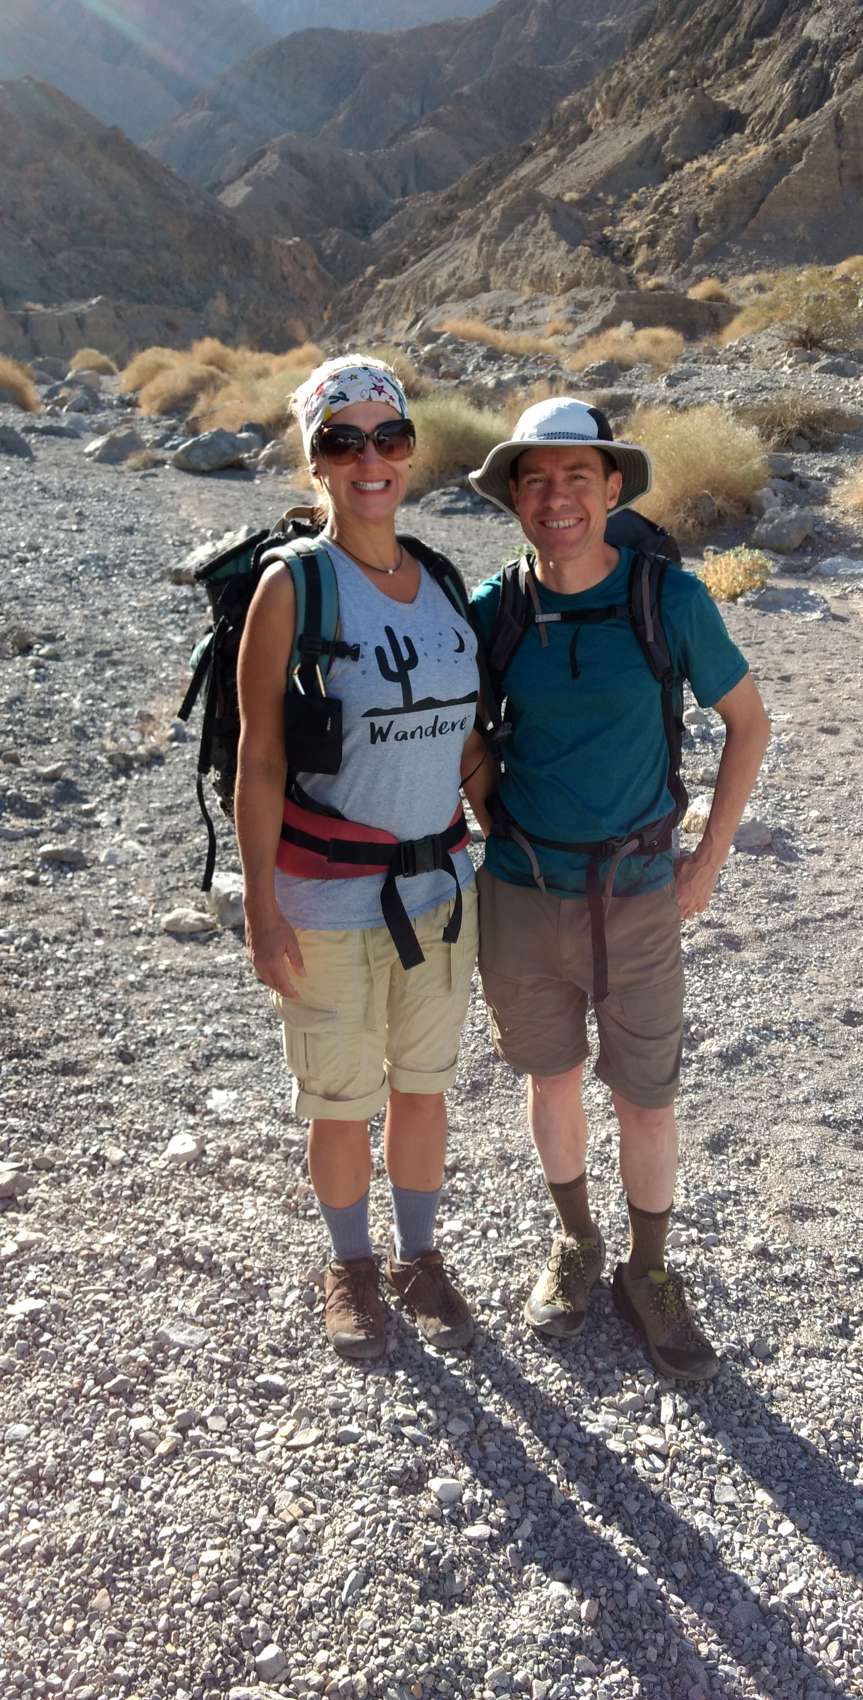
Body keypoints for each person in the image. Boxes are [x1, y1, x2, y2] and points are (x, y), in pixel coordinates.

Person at [464, 396, 771, 1380]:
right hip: (521, 892)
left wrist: (706, 861)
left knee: (646, 1097)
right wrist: (487, 808)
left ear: (609, 488)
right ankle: (575, 1241)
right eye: (535, 479)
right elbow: (461, 725)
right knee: (549, 1077)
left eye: (575, 477)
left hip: (638, 895)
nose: (555, 497)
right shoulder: (495, 607)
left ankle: (648, 1268)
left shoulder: (667, 599)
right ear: (515, 495)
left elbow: (748, 722)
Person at [236, 355, 484, 1362]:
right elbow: (259, 760)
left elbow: (466, 742)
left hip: (441, 891)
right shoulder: (293, 588)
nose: (368, 458)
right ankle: (350, 1264)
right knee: (340, 1099)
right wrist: (260, 909)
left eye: (389, 436)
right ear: (316, 461)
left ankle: (419, 1256)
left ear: (411, 449)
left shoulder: (443, 581)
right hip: (325, 899)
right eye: (342, 441)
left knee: (422, 1086)